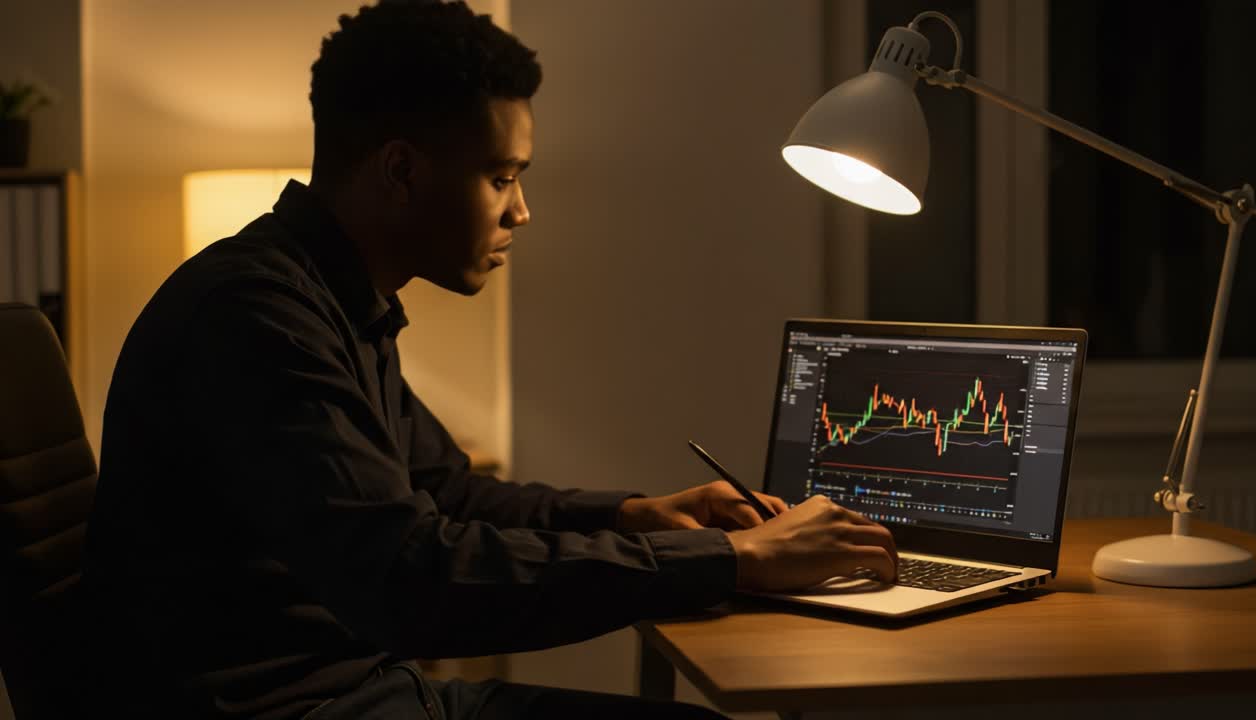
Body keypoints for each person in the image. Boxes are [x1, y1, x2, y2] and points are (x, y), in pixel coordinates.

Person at [83, 1, 899, 718]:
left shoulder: (331, 302)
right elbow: (410, 581)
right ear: (401, 170)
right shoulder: (259, 320)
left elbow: (447, 493)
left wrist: (631, 516)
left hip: (361, 692)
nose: (521, 209)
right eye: (502, 175)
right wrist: (726, 561)